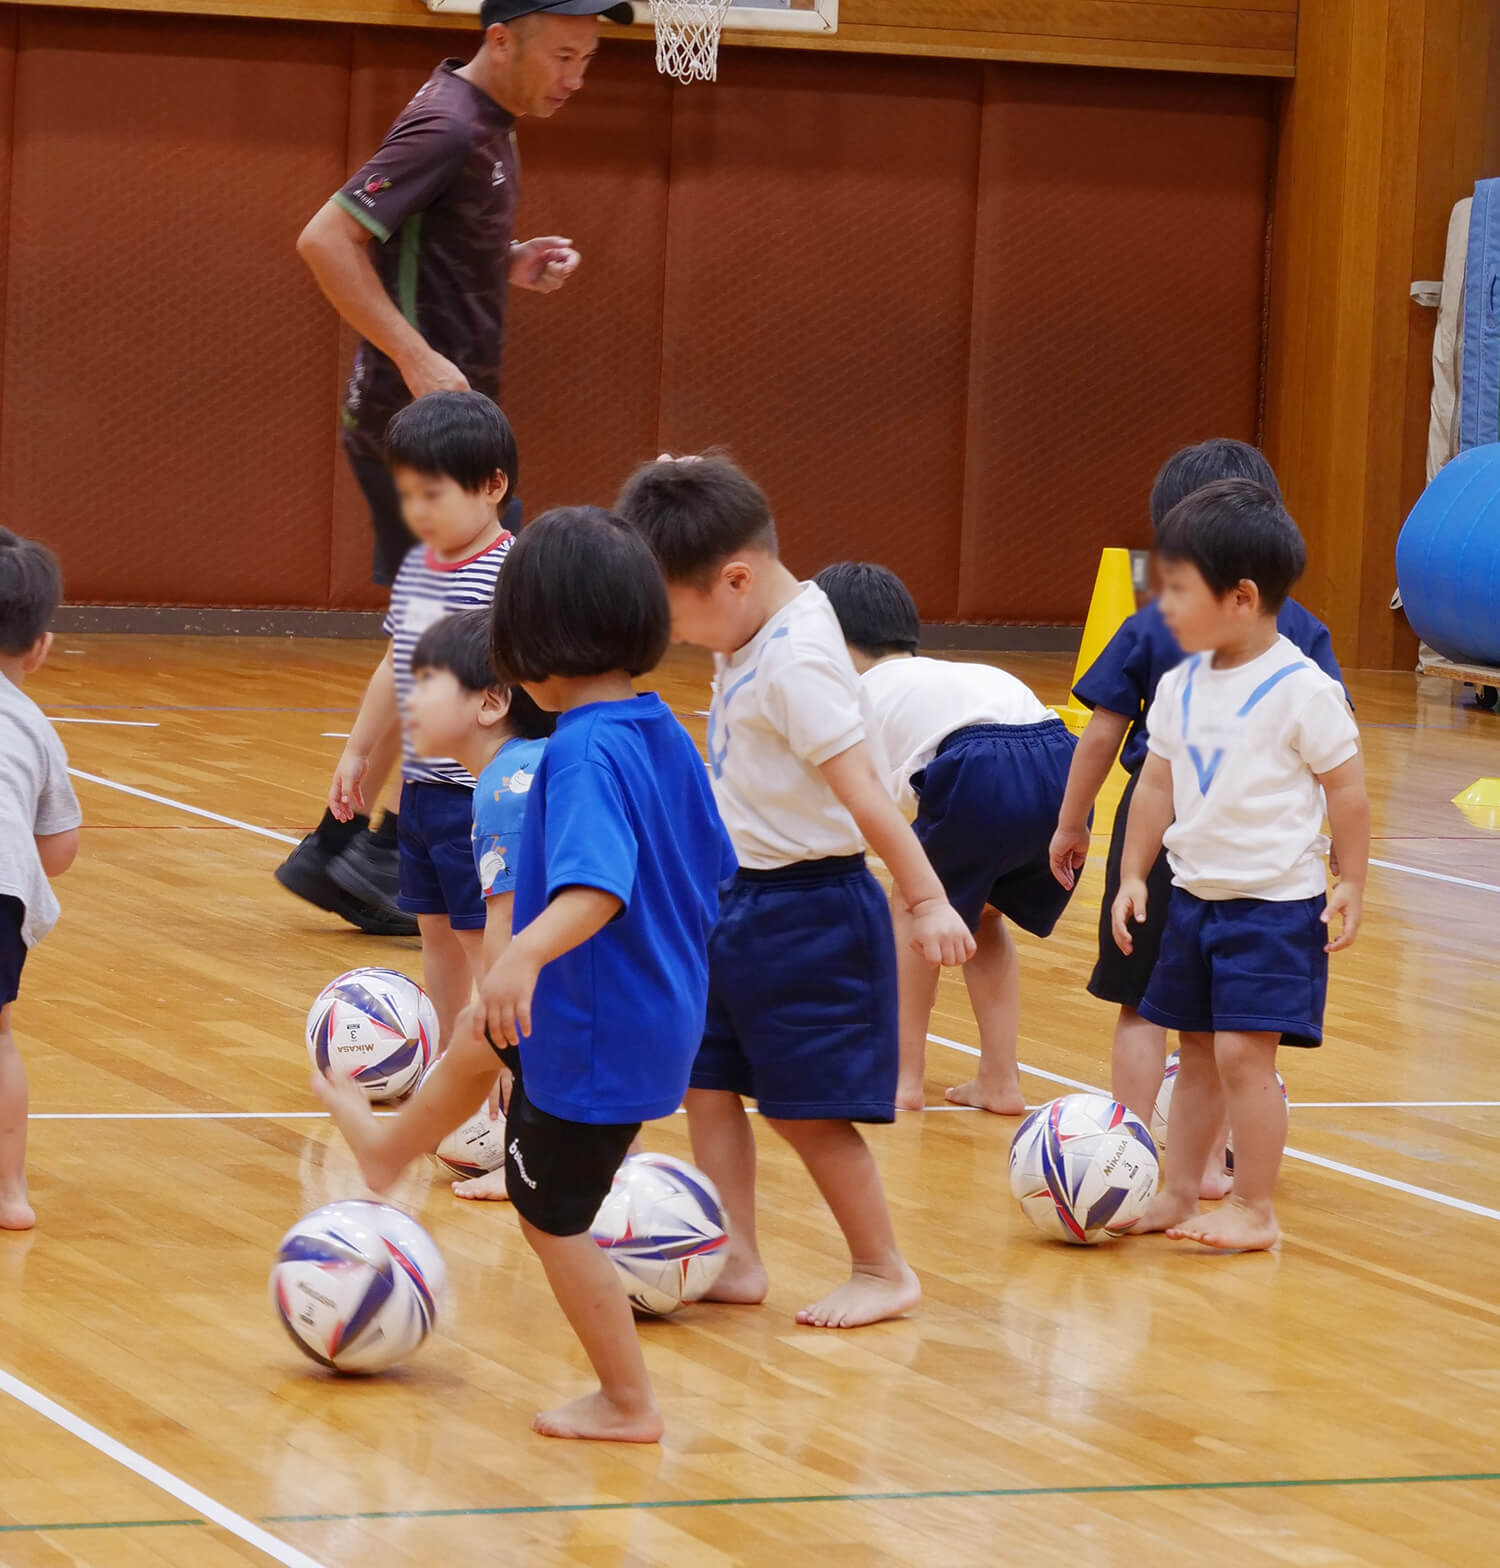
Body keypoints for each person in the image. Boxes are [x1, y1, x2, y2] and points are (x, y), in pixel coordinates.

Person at [317, 507, 733, 1443]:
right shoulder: (658, 726)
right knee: (479, 1043)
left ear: (529, 641)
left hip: (594, 1021)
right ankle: (391, 1151)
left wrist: (527, 956)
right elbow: (710, 865)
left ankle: (628, 1402)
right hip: (657, 1004)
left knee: (552, 1216)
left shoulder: (582, 750)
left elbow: (597, 885)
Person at [279, 0, 629, 932]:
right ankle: (394, 844)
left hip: (444, 430)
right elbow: (326, 239)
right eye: (563, 55)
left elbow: (416, 242)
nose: (575, 78)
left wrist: (501, 260)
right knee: (509, 615)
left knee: (460, 617)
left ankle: (360, 845)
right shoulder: (448, 121)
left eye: (588, 60)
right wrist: (414, 357)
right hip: (420, 436)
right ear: (501, 39)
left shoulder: (489, 125)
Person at [617, 455, 974, 1330]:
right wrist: (683, 478)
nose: (678, 636)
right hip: (734, 903)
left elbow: (866, 795)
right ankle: (737, 1253)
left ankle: (881, 1268)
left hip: (809, 913)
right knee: (705, 1083)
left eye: (677, 617)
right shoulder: (755, 616)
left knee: (806, 1113)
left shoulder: (797, 662)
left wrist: (925, 899)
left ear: (735, 578)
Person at [1048, 439, 1347, 1196]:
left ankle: (1134, 1155)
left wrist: (1073, 820)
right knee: (1210, 1028)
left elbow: (1104, 731)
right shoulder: (1296, 626)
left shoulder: (1155, 622)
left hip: (1189, 852)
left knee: (1149, 1009)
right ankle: (1202, 1165)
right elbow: (1335, 758)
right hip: (1219, 853)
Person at [1109, 479, 1367, 1251]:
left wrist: (1350, 877)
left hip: (1273, 909)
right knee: (1191, 1054)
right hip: (1194, 899)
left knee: (1240, 1058)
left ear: (1243, 597)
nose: (1165, 607)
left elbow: (1347, 790)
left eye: (1180, 591)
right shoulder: (1182, 683)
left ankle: (1255, 1205)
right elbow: (1155, 783)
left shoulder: (1302, 689)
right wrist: (1130, 874)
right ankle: (1179, 1190)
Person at [815, 561, 1080, 1115]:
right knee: (983, 914)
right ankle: (1000, 1080)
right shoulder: (960, 674)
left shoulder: (857, 695)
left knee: (912, 902)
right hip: (1061, 762)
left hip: (981, 763)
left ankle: (901, 1076)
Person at [326, 392, 518, 1052]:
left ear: (494, 485)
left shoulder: (512, 574)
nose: (419, 514)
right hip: (422, 791)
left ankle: (499, 1071)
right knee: (434, 931)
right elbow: (393, 661)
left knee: (481, 935)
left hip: (482, 795)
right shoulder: (417, 570)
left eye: (435, 495)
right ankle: (446, 1060)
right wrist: (358, 751)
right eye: (410, 496)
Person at [404, 605, 555, 1200]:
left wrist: (494, 1017)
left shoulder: (505, 784)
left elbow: (509, 920)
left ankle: (529, 1168)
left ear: (491, 702)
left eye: (425, 686)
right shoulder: (517, 770)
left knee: (529, 1049)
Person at [0, 531, 82, 1231]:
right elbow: (57, 852)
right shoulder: (32, 726)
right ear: (40, 646)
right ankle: (10, 1193)